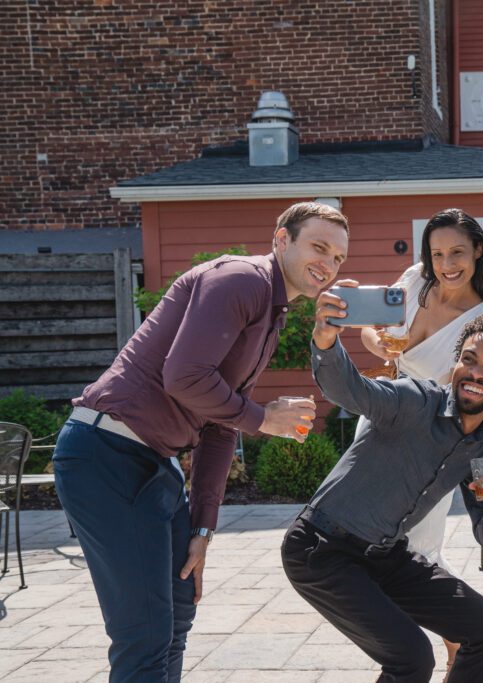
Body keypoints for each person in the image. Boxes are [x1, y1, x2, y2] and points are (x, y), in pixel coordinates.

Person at [51, 201, 351, 682]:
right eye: (319, 247)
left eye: (339, 257)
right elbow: (185, 377)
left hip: (154, 462)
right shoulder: (243, 280)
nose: (329, 264)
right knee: (145, 634)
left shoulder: (270, 314)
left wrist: (203, 525)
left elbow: (219, 424)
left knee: (177, 616)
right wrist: (262, 419)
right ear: (280, 240)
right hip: (106, 455)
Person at [282, 304, 483, 683]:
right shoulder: (414, 401)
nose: (477, 373)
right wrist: (326, 339)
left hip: (385, 556)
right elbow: (349, 390)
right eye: (470, 360)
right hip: (322, 548)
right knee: (412, 658)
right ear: (457, 362)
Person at [360, 207, 483, 672]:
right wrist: (376, 343)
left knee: (417, 548)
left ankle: (453, 637)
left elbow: (471, 399)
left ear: (478, 250)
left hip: (429, 440)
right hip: (380, 416)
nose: (446, 263)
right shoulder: (415, 279)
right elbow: (369, 327)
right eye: (437, 253)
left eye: (457, 251)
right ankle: (407, 650)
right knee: (366, 535)